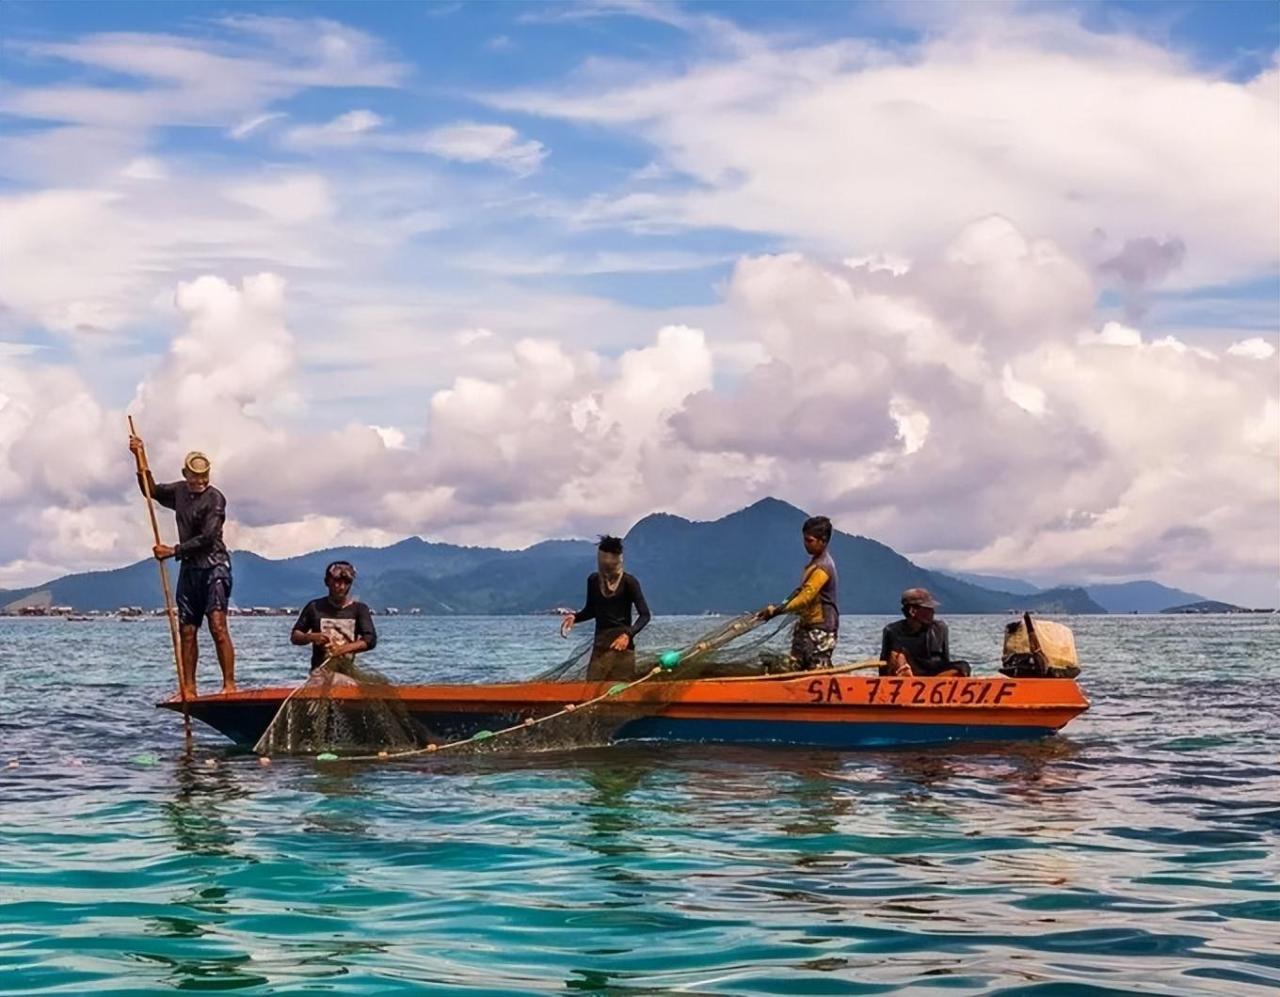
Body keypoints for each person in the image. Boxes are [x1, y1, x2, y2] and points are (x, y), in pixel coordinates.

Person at [129, 438, 235, 696]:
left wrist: (172, 551)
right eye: (194, 478)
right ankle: (188, 687)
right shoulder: (179, 491)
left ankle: (229, 685)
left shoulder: (215, 499)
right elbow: (150, 490)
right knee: (187, 630)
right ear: (186, 475)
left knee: (217, 626)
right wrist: (139, 456)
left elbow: (208, 538)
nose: (199, 482)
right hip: (190, 570)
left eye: (203, 477)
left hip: (215, 568)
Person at [560, 535, 651, 680]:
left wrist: (628, 635)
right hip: (600, 646)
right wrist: (575, 617)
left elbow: (645, 615)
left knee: (620, 690)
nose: (607, 563)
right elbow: (591, 610)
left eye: (611, 560)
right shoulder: (593, 580)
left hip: (623, 646)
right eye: (604, 559)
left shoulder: (629, 582)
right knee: (592, 688)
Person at [758, 516, 840, 671]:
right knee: (795, 667)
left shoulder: (823, 567)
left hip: (821, 629)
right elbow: (799, 592)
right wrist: (778, 607)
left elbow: (805, 597)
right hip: (805, 626)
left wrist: (778, 610)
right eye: (805, 540)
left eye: (810, 540)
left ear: (823, 541)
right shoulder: (813, 564)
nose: (805, 544)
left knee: (816, 669)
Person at [291, 561, 378, 670]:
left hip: (347, 671)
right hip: (320, 672)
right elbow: (295, 636)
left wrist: (344, 649)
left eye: (346, 583)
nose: (341, 587)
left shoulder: (359, 609)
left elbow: (370, 640)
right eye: (337, 582)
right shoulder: (314, 607)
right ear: (327, 582)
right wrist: (312, 637)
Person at [879, 588, 971, 677]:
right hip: (909, 671)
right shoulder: (892, 630)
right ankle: (909, 682)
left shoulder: (940, 628)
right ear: (912, 611)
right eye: (928, 609)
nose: (933, 612)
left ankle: (929, 685)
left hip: (935, 673)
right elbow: (884, 666)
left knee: (963, 667)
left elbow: (945, 660)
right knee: (897, 655)